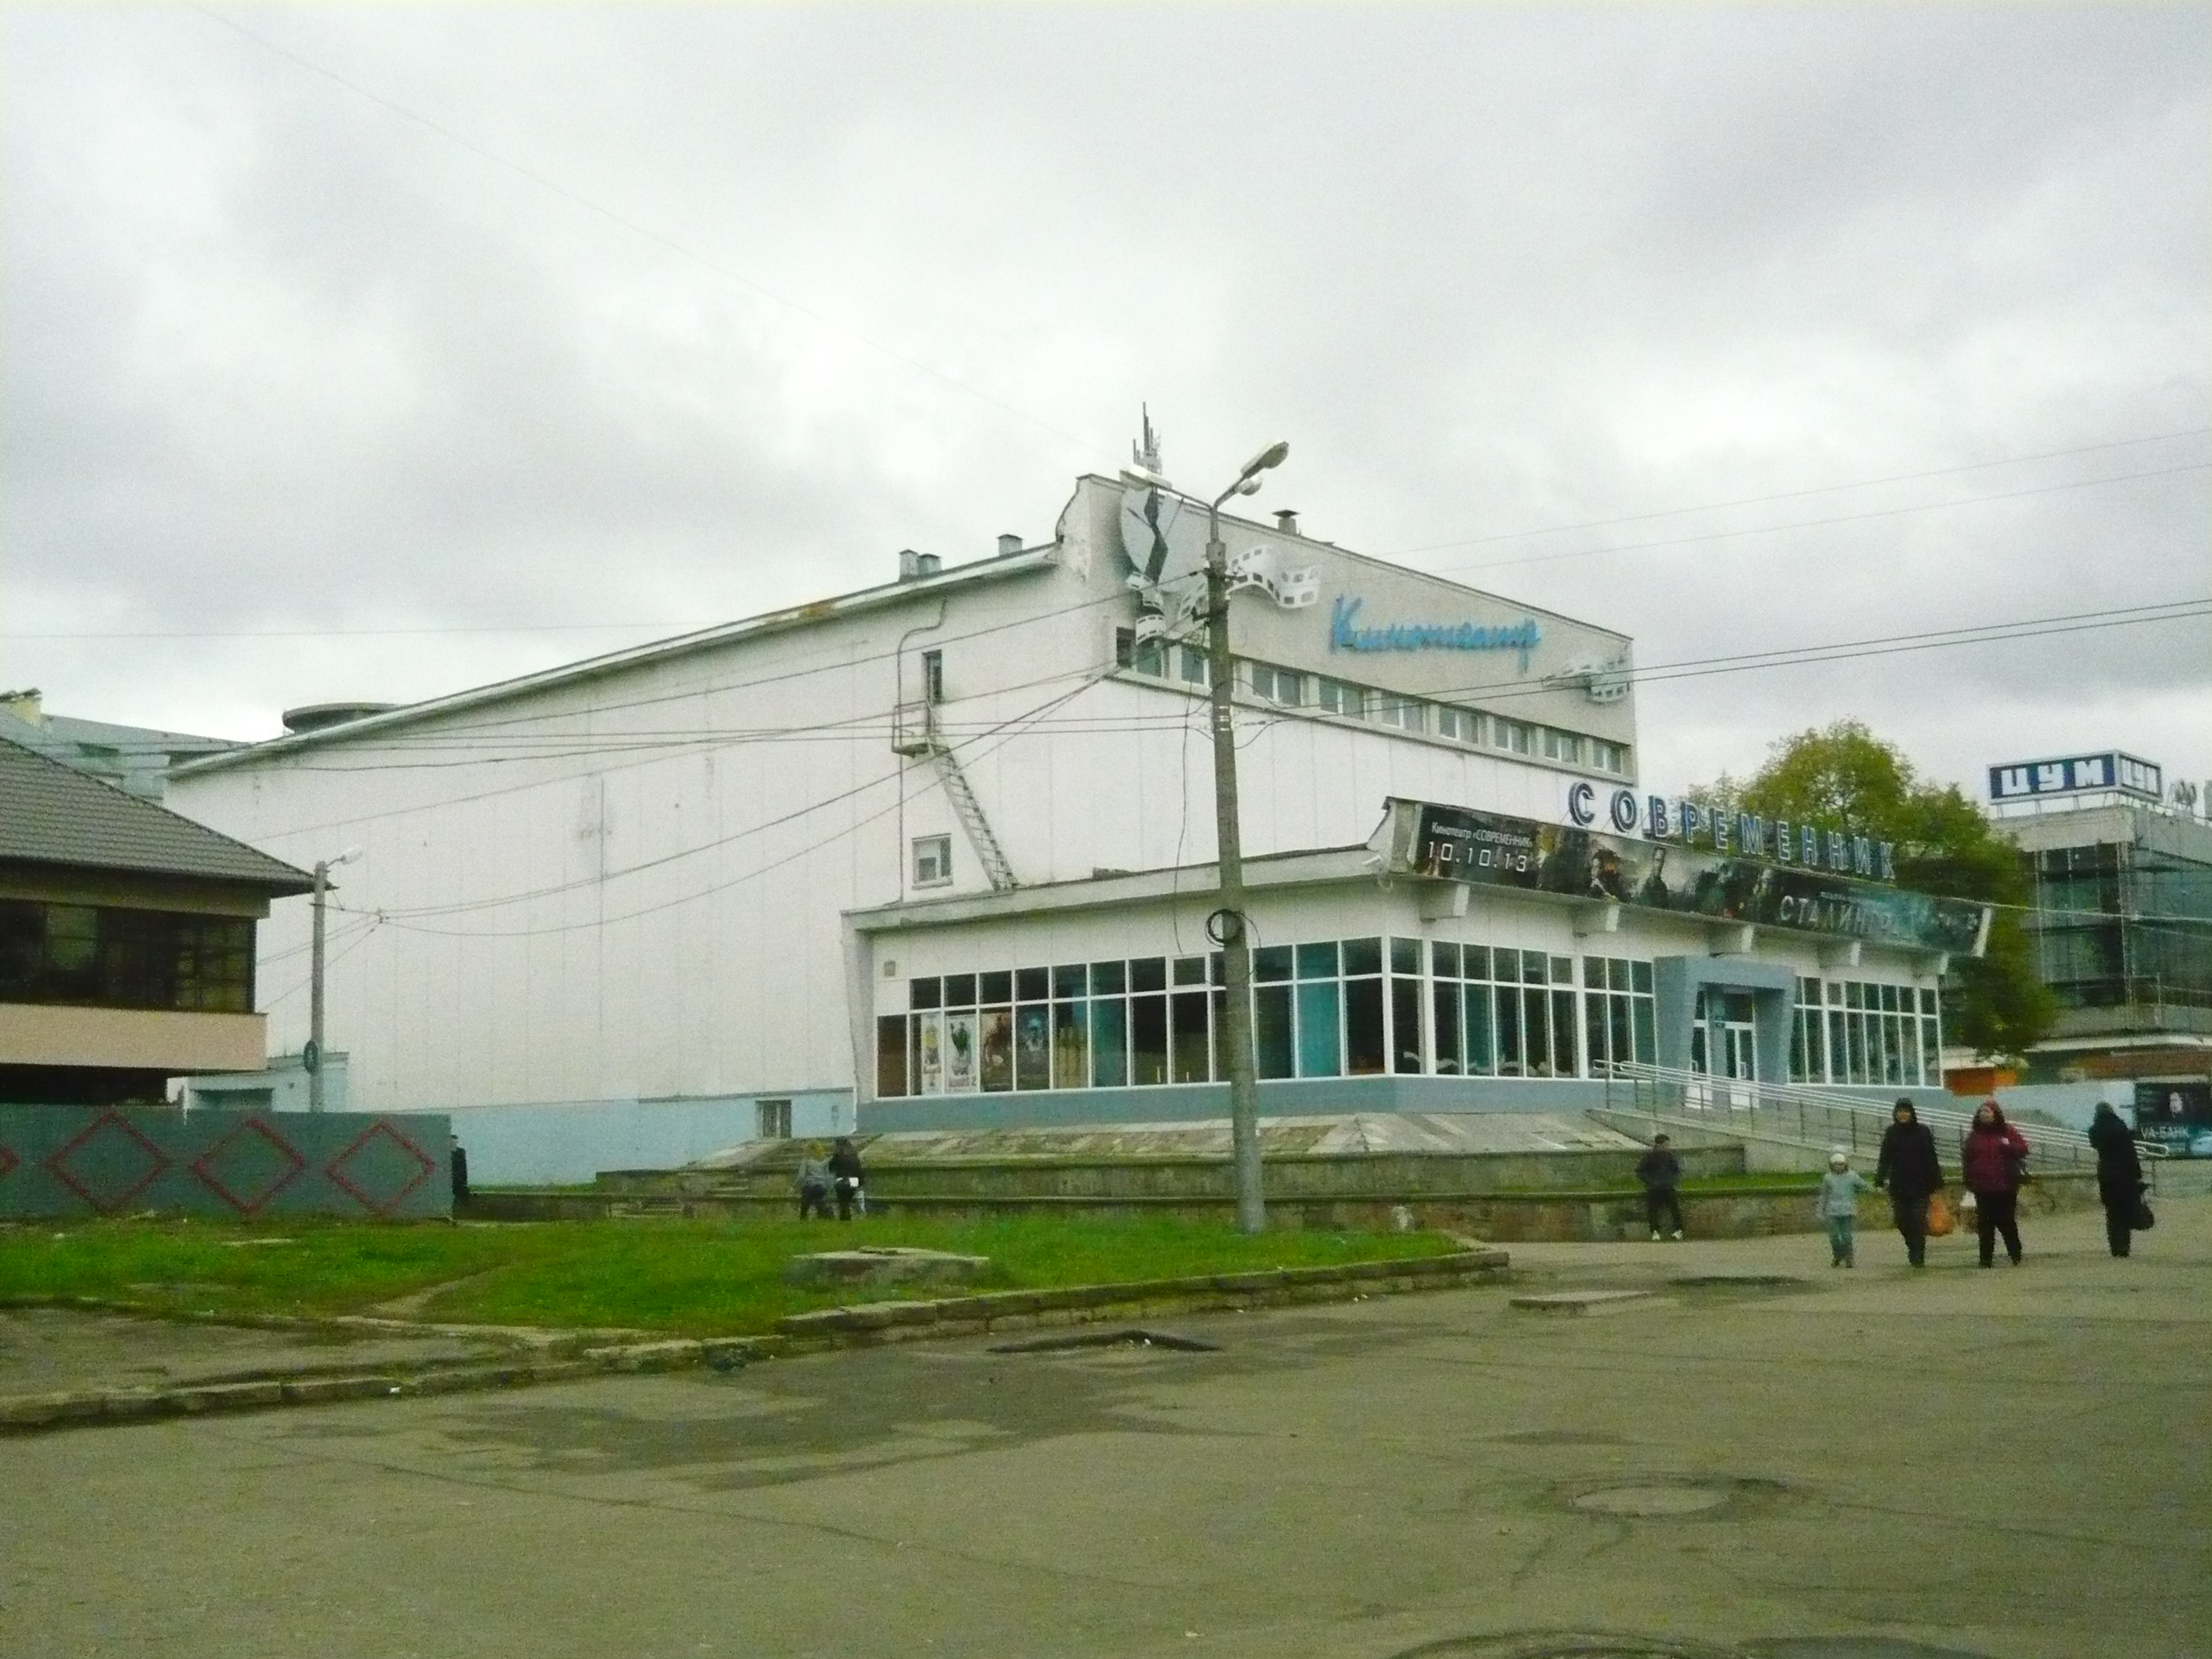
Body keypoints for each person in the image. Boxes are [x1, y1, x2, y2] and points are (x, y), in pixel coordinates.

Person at [1874, 1097, 1944, 1267]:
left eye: (1906, 1111)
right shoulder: (1891, 1132)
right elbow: (1885, 1158)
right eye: (1900, 1111)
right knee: (1901, 1221)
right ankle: (1911, 1245)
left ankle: (1918, 1253)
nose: (1903, 1114)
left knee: (1918, 1220)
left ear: (1912, 1113)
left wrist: (1937, 1180)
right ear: (1896, 1114)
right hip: (1898, 1185)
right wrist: (1880, 1178)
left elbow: (1931, 1157)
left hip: (1920, 1184)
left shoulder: (1923, 1132)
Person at [1960, 1099, 2031, 1267]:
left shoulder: (2007, 1131)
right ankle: (1985, 1259)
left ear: (1995, 1114)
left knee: (2006, 1222)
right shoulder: (1974, 1136)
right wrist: (1968, 1180)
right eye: (1982, 1112)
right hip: (1983, 1187)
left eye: (1988, 1111)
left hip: (2006, 1186)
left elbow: (2023, 1149)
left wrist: (2008, 1146)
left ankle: (2015, 1253)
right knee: (1985, 1225)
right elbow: (1967, 1160)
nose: (1985, 1115)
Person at [2087, 1101, 2146, 1258]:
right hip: (2125, 1175)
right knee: (2124, 1210)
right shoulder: (2120, 1126)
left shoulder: (2095, 1130)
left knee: (2111, 1213)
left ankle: (2115, 1246)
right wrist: (2137, 1174)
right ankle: (2124, 1247)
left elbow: (2095, 1143)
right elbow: (2130, 1152)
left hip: (2106, 1175)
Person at [1816, 1147, 1875, 1268]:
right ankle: (1837, 1255)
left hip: (1847, 1210)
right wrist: (1820, 1211)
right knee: (1834, 1236)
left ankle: (1849, 1257)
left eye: (1841, 1164)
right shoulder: (1828, 1178)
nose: (1839, 1167)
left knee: (1847, 1236)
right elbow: (1824, 1196)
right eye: (1836, 1164)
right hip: (1832, 1211)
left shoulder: (1852, 1176)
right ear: (1832, 1165)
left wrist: (1876, 1188)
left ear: (1845, 1165)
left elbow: (1863, 1186)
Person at [1635, 1132, 1684, 1241]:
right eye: (1666, 1144)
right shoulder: (1652, 1156)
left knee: (1671, 1209)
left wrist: (1669, 1181)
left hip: (1661, 1186)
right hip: (1657, 1187)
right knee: (1656, 1210)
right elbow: (1641, 1171)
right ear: (1660, 1144)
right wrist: (1651, 1181)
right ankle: (1658, 1231)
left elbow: (1676, 1171)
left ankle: (1670, 1230)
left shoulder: (1667, 1156)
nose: (1667, 1147)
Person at [828, 1135, 866, 1222]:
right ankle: (846, 1219)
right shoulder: (854, 1154)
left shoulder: (837, 1155)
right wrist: (860, 1183)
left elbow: (830, 1167)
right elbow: (859, 1170)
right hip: (854, 1181)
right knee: (847, 1201)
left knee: (843, 1202)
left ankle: (844, 1219)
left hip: (842, 1181)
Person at [793, 1142, 831, 1221]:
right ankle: (822, 1217)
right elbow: (828, 1176)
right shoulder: (825, 1160)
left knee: (805, 1205)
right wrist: (827, 1187)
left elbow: (801, 1176)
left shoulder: (807, 1161)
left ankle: (804, 1218)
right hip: (821, 1187)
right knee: (820, 1203)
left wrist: (795, 1186)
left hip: (810, 1186)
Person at [449, 1136, 470, 1206]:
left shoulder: (461, 1151)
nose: (454, 1143)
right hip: (451, 1175)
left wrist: (464, 1180)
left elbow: (464, 1165)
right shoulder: (446, 1152)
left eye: (455, 1142)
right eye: (452, 1142)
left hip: (459, 1175)